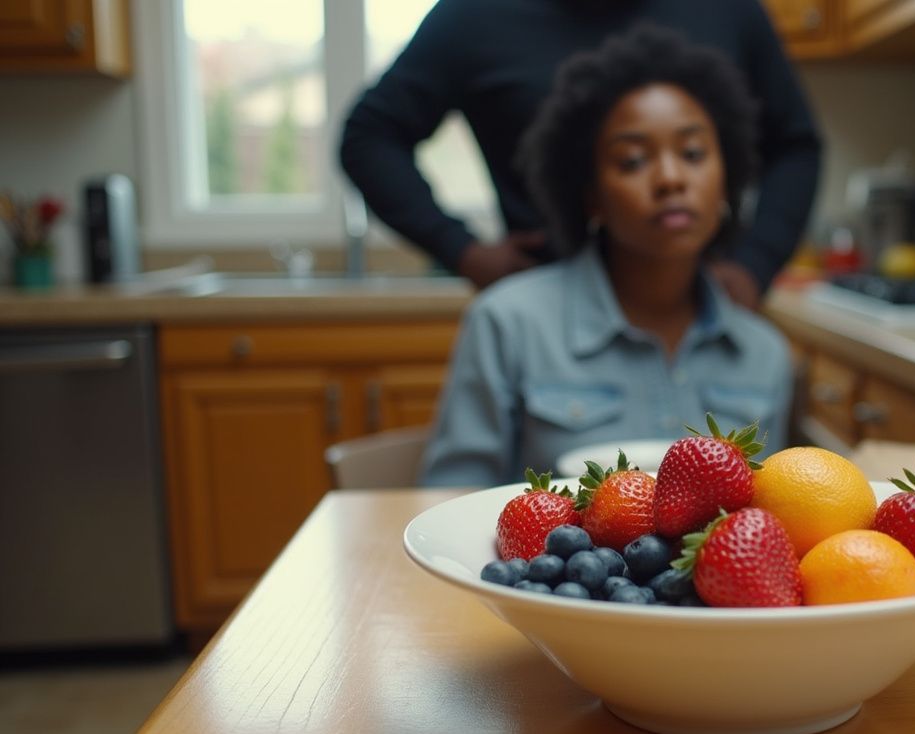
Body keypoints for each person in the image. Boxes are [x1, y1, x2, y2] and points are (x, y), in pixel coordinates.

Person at [419, 26, 793, 487]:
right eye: (633, 161)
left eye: (693, 153)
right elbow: (450, 501)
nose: (671, 178)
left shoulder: (765, 354)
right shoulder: (506, 324)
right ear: (591, 195)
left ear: (727, 176)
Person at [340, 0, 821, 309]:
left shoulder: (729, 10)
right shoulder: (472, 15)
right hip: (546, 320)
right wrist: (461, 249)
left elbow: (796, 143)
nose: (670, 178)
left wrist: (757, 264)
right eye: (632, 161)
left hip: (704, 313)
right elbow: (369, 135)